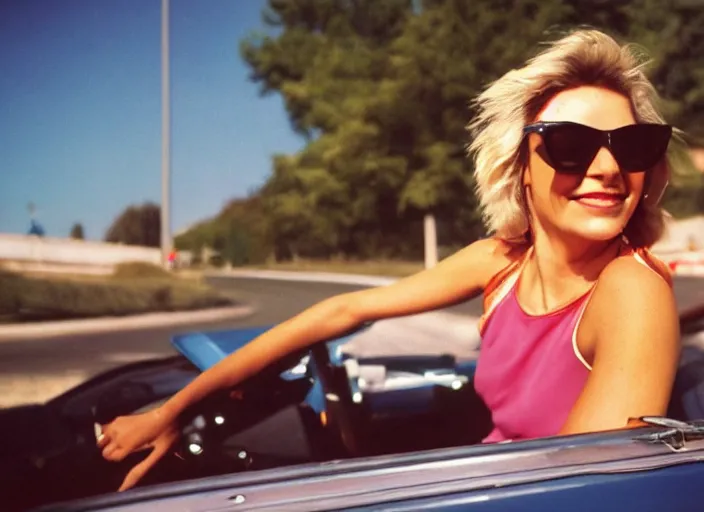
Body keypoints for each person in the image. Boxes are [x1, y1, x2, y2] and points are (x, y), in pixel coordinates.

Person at [97, 28, 682, 490]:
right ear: (520, 170)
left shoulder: (632, 290)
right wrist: (174, 411)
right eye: (572, 146)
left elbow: (577, 493)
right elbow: (343, 311)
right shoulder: (502, 262)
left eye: (631, 147)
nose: (608, 170)